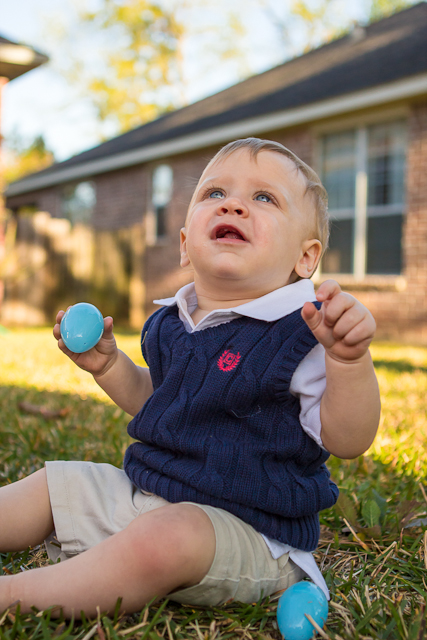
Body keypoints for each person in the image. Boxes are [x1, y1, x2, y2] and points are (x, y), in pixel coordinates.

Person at [0, 138, 381, 619]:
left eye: (264, 198)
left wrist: (348, 363)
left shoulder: (303, 332)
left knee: (167, 536)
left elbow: (349, 439)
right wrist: (111, 367)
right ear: (185, 244)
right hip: (151, 498)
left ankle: (14, 595)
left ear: (305, 260)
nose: (234, 204)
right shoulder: (172, 321)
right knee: (55, 483)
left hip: (249, 532)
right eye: (215, 192)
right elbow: (158, 403)